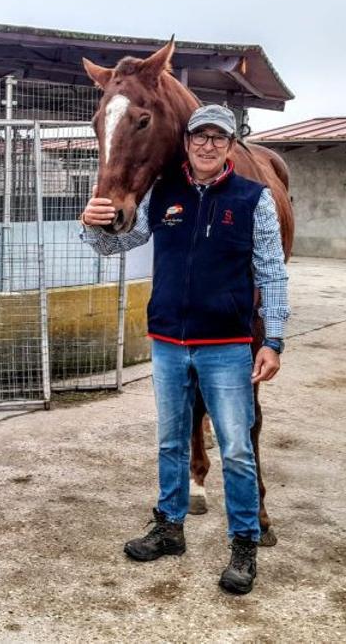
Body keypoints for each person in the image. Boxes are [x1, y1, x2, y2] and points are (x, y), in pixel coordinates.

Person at [80, 104, 289, 594]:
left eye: (220, 138)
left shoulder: (254, 198)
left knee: (236, 448)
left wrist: (274, 339)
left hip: (227, 345)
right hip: (170, 342)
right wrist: (92, 223)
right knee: (171, 442)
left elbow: (274, 272)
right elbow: (115, 245)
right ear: (189, 143)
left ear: (231, 145)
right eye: (201, 137)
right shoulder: (164, 194)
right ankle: (170, 527)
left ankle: (243, 541)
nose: (209, 146)